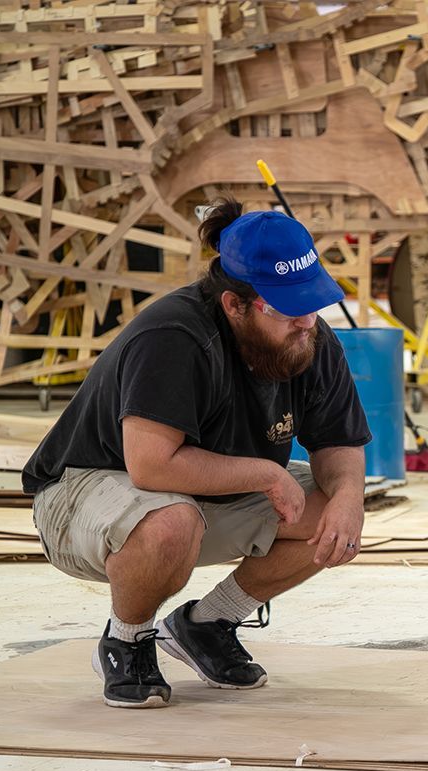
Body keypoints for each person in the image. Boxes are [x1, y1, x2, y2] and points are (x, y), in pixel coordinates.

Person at [23, 199, 372, 710]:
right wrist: (264, 474)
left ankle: (206, 625)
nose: (306, 322)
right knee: (171, 522)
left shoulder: (308, 339)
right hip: (84, 489)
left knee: (332, 515)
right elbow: (151, 465)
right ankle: (127, 640)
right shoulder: (174, 336)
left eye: (311, 302)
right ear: (234, 304)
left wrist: (348, 497)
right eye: (287, 308)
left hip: (198, 489)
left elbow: (339, 443)